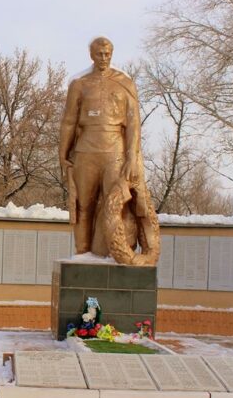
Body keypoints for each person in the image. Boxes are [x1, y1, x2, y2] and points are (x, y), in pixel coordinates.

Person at [59, 36, 159, 265]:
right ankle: (83, 255)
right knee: (84, 205)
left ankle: (113, 255)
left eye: (107, 54)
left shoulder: (125, 83)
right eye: (99, 54)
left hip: (115, 151)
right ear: (91, 55)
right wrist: (62, 154)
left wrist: (132, 157)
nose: (104, 58)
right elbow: (69, 121)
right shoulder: (79, 84)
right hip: (86, 150)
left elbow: (133, 123)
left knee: (116, 205)